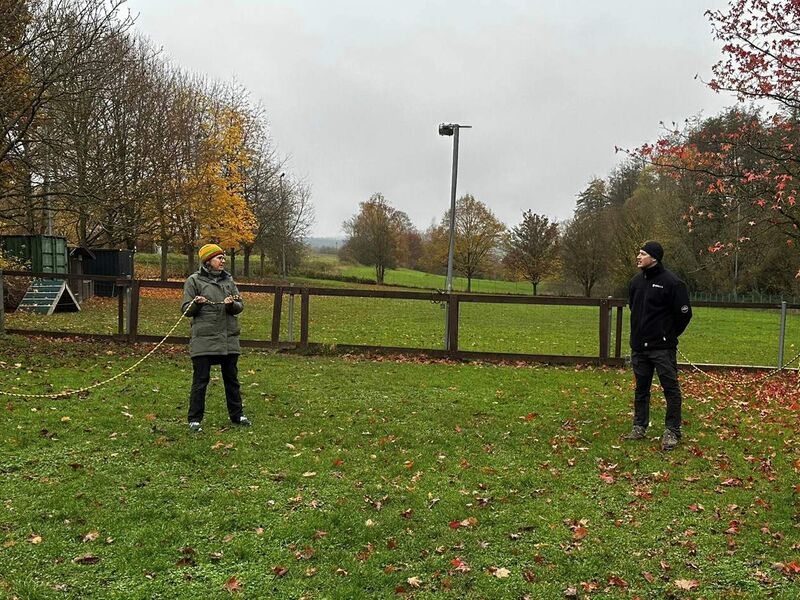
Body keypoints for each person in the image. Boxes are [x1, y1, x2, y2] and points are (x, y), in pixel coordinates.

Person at [624, 241, 692, 451]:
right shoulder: (635, 282)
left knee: (670, 389)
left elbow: (684, 314)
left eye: (642, 253)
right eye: (639, 252)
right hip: (640, 348)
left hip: (662, 348)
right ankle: (639, 426)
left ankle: (672, 430)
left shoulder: (673, 283)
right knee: (641, 388)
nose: (638, 256)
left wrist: (667, 335)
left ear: (654, 257)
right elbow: (634, 309)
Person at [181, 243, 251, 432]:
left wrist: (231, 305)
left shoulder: (229, 281)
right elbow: (186, 310)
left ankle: (237, 415)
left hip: (228, 339)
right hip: (204, 338)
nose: (223, 261)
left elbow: (240, 305)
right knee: (200, 380)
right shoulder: (193, 281)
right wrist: (196, 303)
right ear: (208, 260)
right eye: (219, 258)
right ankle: (194, 419)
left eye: (223, 258)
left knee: (232, 380)